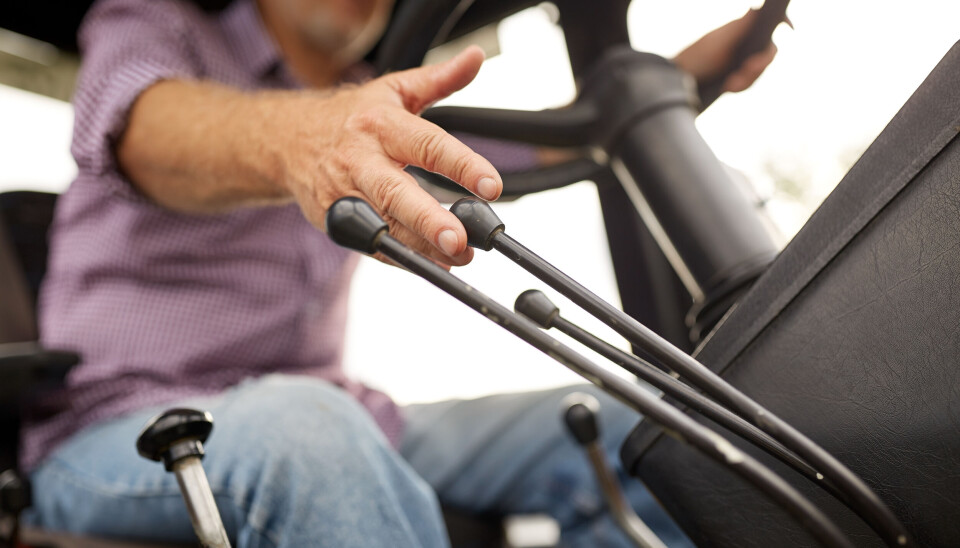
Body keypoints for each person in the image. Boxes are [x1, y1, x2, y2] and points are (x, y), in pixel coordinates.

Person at [22, 0, 776, 545]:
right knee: (309, 431)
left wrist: (674, 79)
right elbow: (138, 127)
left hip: (338, 408)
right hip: (122, 427)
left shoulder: (369, 97)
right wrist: (300, 136)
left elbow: (526, 151)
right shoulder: (156, 26)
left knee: (645, 428)